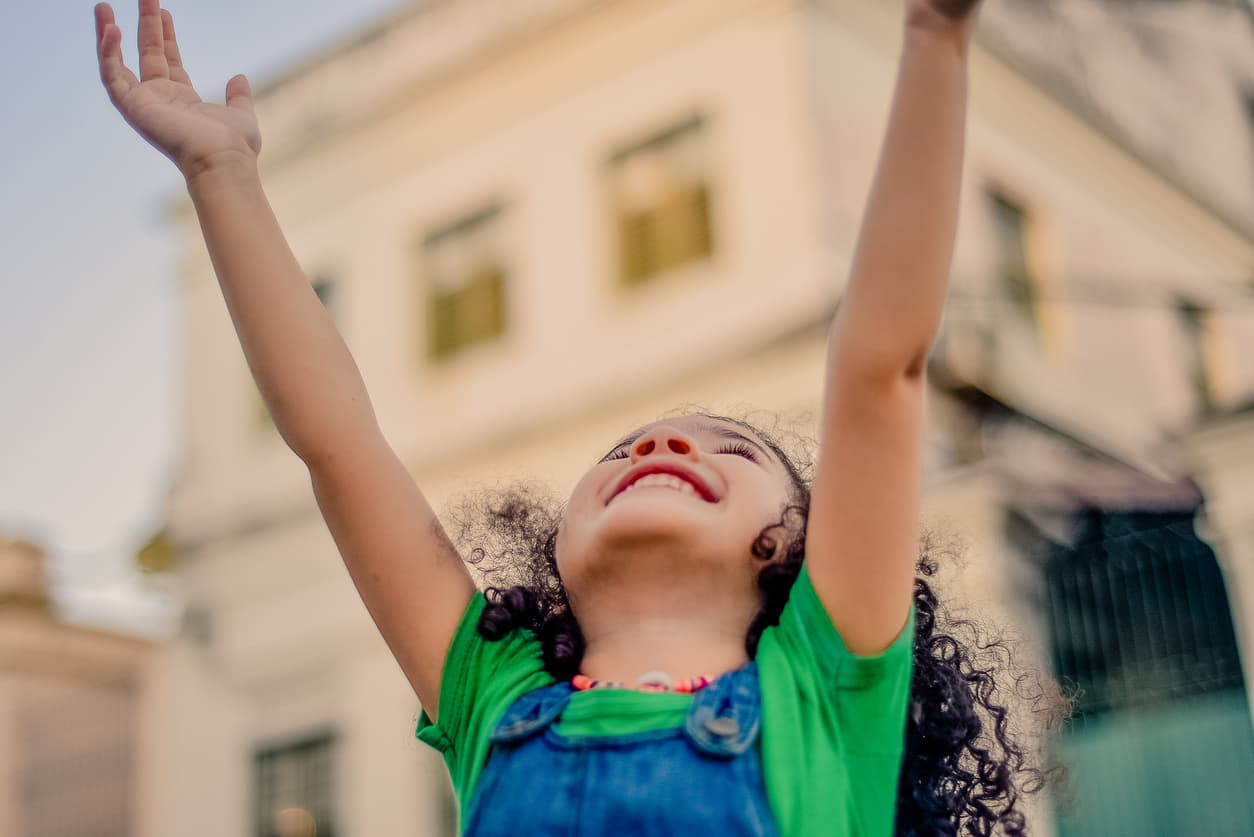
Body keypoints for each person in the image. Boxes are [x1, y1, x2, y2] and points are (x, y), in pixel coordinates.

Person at [95, 0, 1062, 834]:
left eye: (732, 451)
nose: (662, 443)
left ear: (804, 552)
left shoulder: (822, 686)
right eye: (625, 450)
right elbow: (338, 442)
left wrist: (936, 37)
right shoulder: (493, 690)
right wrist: (222, 178)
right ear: (553, 554)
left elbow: (876, 369)